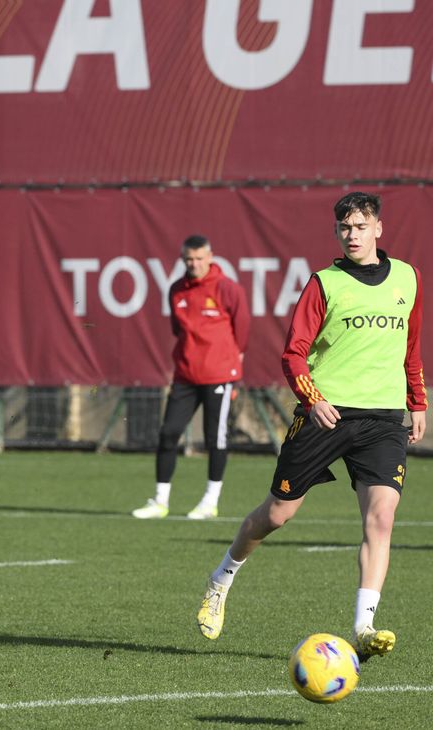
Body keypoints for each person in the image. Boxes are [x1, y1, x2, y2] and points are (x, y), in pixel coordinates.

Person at [196, 192, 425, 661]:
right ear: (337, 232)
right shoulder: (324, 283)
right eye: (345, 227)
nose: (353, 234)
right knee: (277, 515)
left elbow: (412, 348)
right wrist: (313, 399)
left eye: (361, 226)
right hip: (328, 412)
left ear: (379, 227)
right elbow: (293, 354)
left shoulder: (407, 277)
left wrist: (417, 402)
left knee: (381, 518)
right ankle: (222, 578)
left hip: (383, 418)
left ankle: (364, 627)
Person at [132, 235, 250, 520]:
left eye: (199, 258)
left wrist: (233, 360)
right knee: (169, 432)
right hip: (185, 375)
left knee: (215, 438)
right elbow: (177, 330)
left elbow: (242, 328)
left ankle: (210, 501)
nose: (193, 264)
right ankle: (160, 500)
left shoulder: (227, 289)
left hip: (219, 374)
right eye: (188, 259)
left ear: (210, 257)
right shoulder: (176, 290)